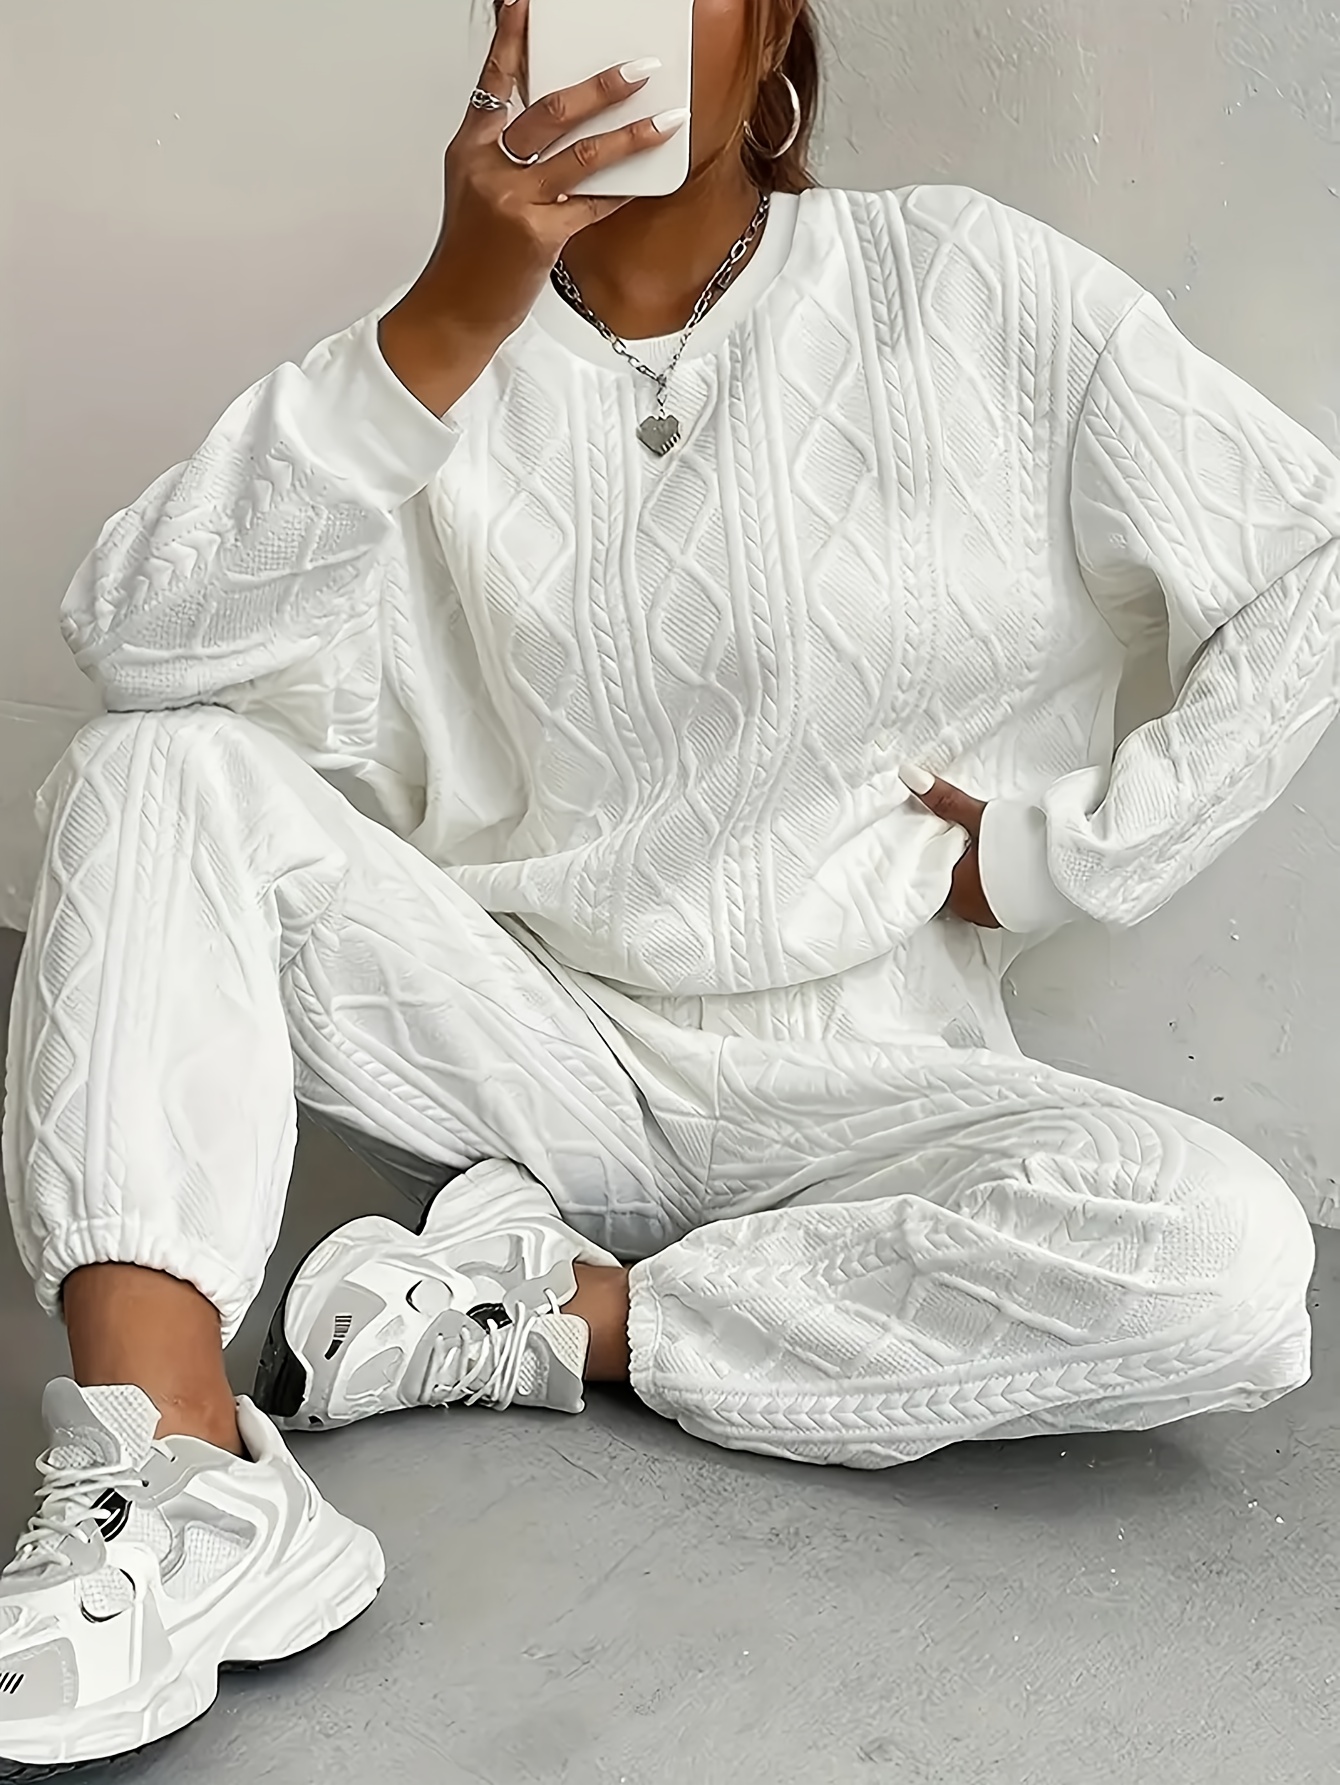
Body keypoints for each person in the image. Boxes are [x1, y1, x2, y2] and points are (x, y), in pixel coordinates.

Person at [4, 0, 1339, 1772]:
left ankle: (540, 1314)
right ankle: (176, 1475)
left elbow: (1306, 558)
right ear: (503, 31)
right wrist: (451, 310)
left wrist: (1068, 850)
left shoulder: (967, 287)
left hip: (869, 1091)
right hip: (530, 1055)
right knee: (146, 767)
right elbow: (137, 645)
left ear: (769, 30)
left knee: (1227, 1257)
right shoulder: (433, 366)